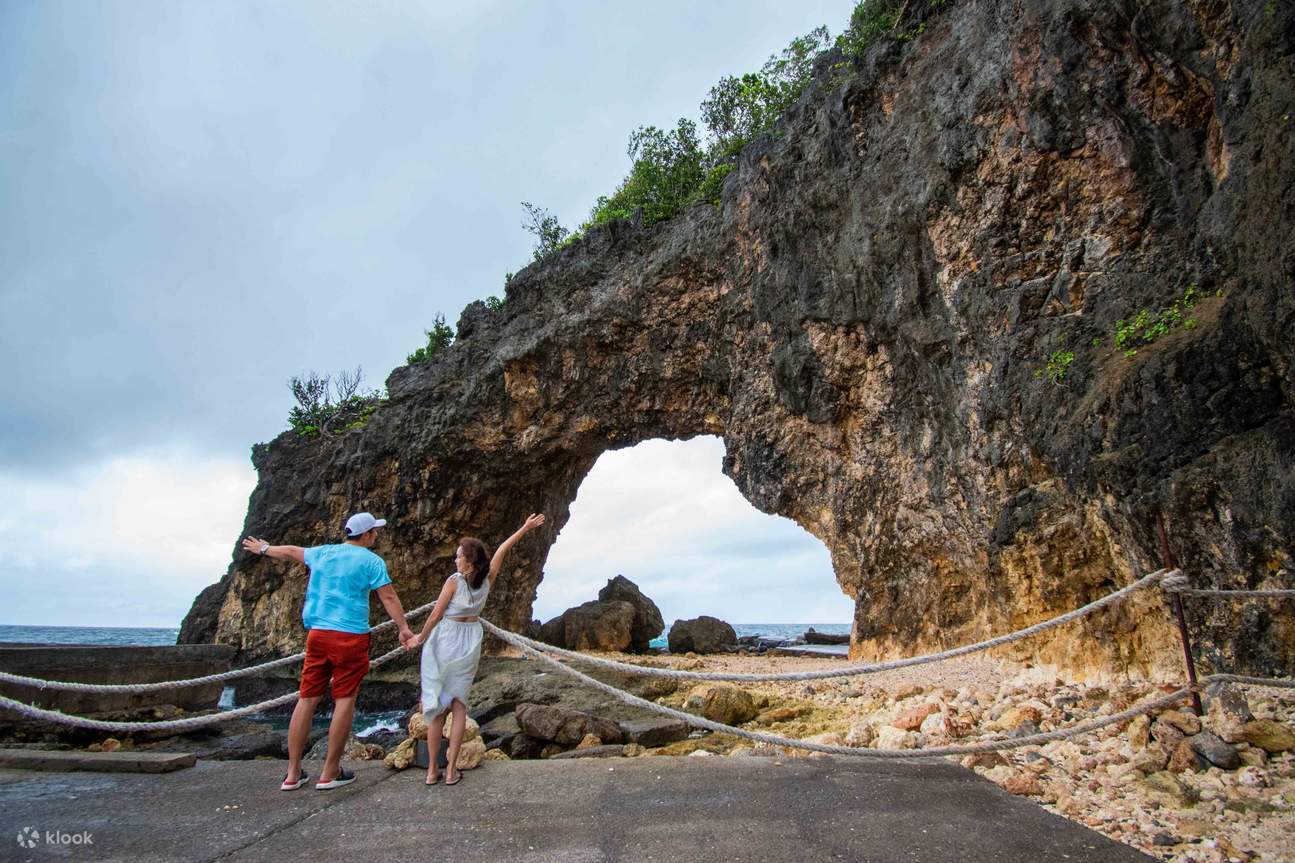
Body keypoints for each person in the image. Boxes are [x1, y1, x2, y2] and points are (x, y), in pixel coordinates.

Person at [242, 511, 418, 791]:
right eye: (374, 531)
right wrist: (404, 628)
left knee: (307, 699)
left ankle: (292, 774)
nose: (376, 535)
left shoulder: (322, 553)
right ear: (367, 534)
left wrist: (264, 548)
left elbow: (290, 552)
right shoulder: (372, 561)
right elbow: (387, 596)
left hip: (318, 636)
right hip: (351, 637)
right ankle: (330, 772)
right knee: (344, 699)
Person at [416, 513, 545, 785]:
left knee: (437, 709)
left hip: (447, 638)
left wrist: (420, 638)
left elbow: (435, 615)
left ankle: (432, 771)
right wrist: (524, 528)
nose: (455, 560)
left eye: (458, 556)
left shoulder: (454, 581)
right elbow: (502, 550)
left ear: (469, 560)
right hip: (470, 640)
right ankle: (451, 771)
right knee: (459, 706)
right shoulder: (486, 581)